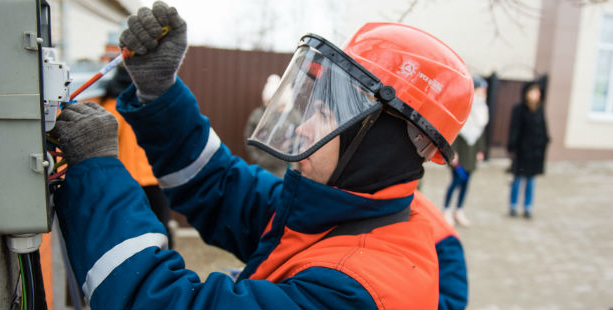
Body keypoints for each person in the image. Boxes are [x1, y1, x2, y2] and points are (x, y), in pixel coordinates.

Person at [51, 2, 472, 309]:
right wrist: (159, 91)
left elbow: (160, 302)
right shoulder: (334, 211)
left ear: (381, 144)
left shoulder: (359, 288)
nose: (303, 128)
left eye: (323, 116)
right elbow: (218, 186)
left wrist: (97, 172)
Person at [94, 67, 174, 247]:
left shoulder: (111, 106)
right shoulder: (149, 104)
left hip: (128, 178)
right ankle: (165, 261)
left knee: (130, 229)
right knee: (160, 226)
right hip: (151, 176)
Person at [443, 76, 489, 227]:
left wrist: (481, 150)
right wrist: (453, 151)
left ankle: (459, 210)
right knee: (456, 180)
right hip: (460, 151)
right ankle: (447, 209)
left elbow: (481, 131)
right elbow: (455, 129)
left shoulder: (482, 109)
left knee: (466, 182)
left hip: (472, 151)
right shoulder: (464, 106)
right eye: (480, 90)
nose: (483, 93)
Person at [507, 81, 550, 219]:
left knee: (531, 181)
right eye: (533, 91)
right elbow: (514, 130)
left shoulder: (540, 110)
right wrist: (513, 147)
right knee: (517, 179)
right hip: (522, 152)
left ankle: (528, 207)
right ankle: (513, 206)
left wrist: (544, 143)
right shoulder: (519, 109)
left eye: (538, 92)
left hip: (535, 153)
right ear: (526, 93)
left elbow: (543, 130)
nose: (536, 95)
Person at [243, 74, 289, 177]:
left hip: (283, 169)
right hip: (263, 168)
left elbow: (295, 140)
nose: (269, 104)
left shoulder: (287, 116)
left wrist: (293, 164)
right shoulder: (257, 115)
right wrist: (257, 158)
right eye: (267, 100)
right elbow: (248, 137)